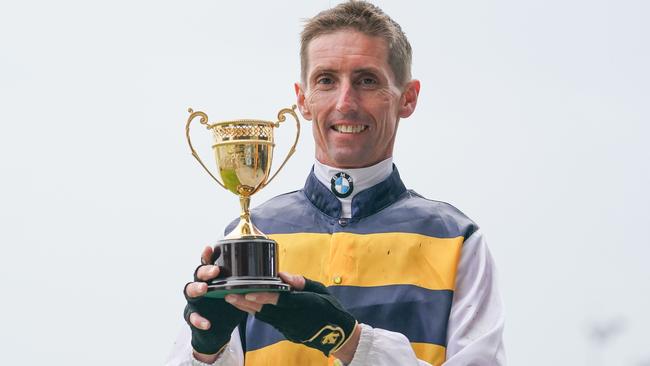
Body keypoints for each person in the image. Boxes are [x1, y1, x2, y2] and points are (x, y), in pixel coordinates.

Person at [167, 1, 505, 365]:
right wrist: (206, 350)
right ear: (303, 99)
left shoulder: (457, 239)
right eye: (326, 80)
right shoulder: (248, 235)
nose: (346, 102)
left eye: (367, 80)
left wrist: (350, 341)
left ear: (408, 97)